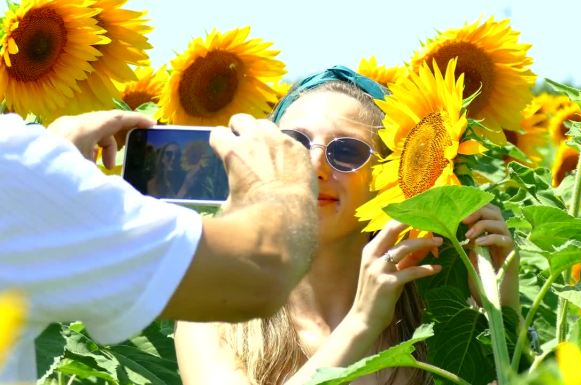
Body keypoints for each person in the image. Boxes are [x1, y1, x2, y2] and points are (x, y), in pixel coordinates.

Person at [174, 67, 518, 385]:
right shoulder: (212, 315)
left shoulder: (434, 325)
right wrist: (361, 325)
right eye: (294, 143)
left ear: (386, 179)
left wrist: (503, 310)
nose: (315, 164)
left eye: (348, 151)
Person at [0, 109, 319, 382]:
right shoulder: (13, 164)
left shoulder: (16, 168)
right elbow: (258, 272)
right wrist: (282, 186)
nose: (317, 164)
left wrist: (45, 176)